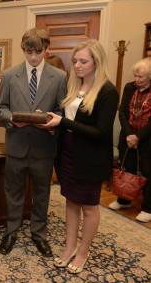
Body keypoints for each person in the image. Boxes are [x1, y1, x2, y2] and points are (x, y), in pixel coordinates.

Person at [43, 39, 119, 273]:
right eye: (75, 60)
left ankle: (83, 252)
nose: (77, 65)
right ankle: (69, 248)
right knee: (71, 202)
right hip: (67, 153)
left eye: (83, 61)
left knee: (88, 207)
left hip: (91, 157)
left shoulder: (107, 91)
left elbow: (101, 132)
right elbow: (67, 122)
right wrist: (50, 121)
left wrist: (64, 122)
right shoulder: (73, 86)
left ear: (96, 62)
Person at [0, 28, 67, 257]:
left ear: (47, 50)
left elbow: (61, 110)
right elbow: (1, 108)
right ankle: (11, 232)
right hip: (16, 146)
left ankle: (39, 234)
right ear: (23, 50)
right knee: (13, 193)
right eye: (29, 51)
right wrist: (11, 119)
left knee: (42, 193)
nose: (33, 57)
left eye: (38, 51)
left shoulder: (59, 77)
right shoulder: (9, 75)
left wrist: (49, 119)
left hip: (43, 148)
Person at [108, 58, 151, 223]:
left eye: (141, 77)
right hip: (127, 136)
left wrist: (139, 137)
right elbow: (122, 112)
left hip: (147, 140)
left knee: (147, 171)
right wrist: (129, 134)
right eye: (135, 76)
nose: (137, 80)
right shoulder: (129, 87)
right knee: (127, 168)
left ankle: (148, 208)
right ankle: (124, 200)